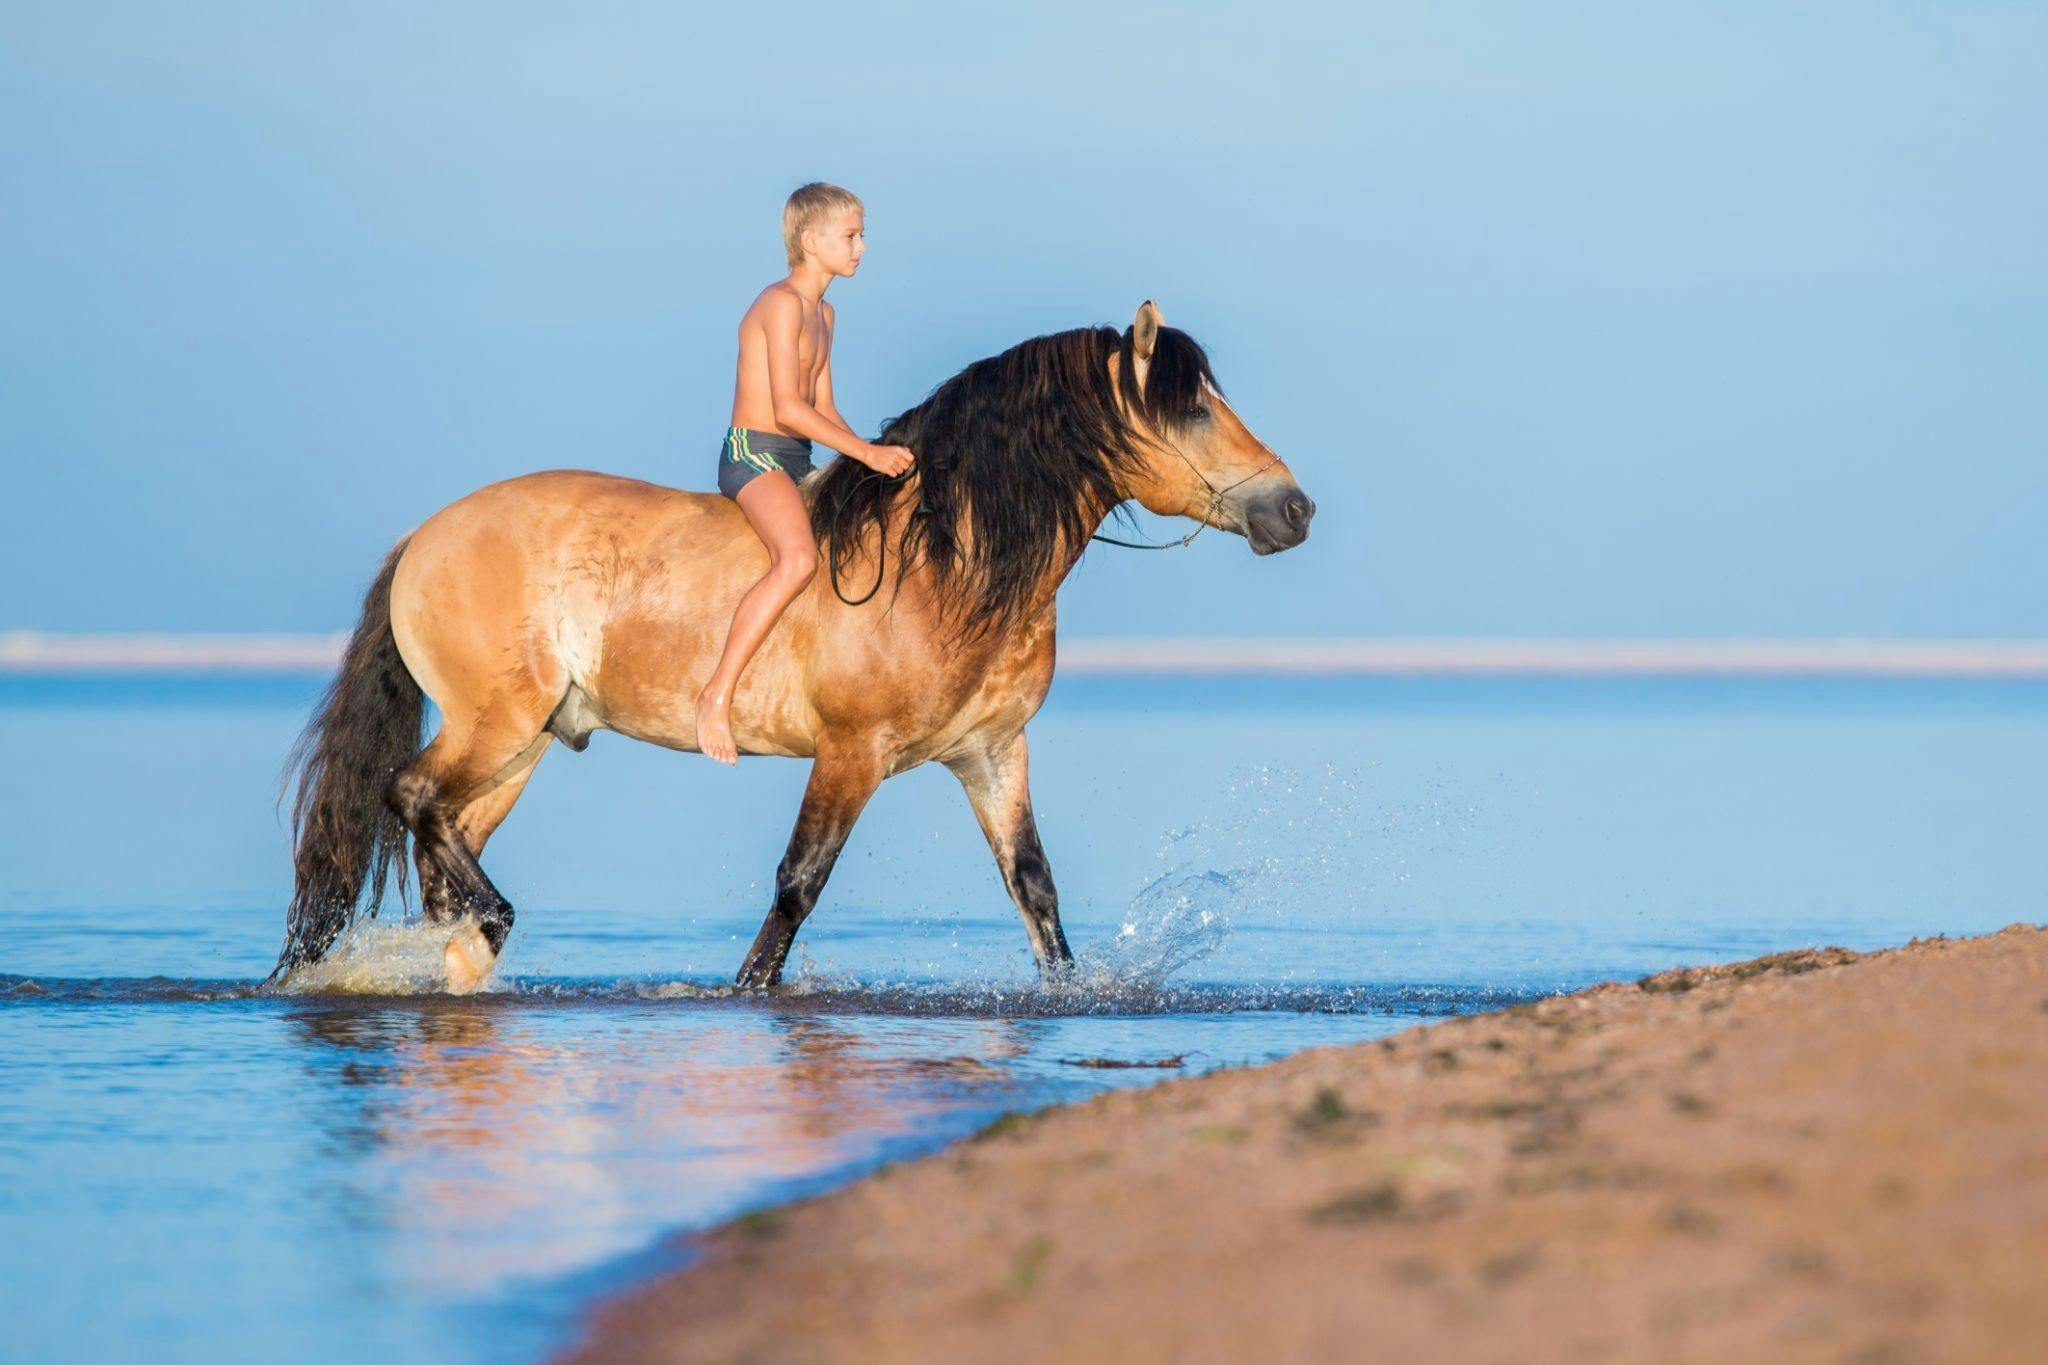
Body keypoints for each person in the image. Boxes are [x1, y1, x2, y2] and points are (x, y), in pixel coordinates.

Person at [695, 182, 916, 765]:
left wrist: (870, 454)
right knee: (798, 559)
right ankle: (715, 698)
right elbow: (789, 409)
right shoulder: (781, 303)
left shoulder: (826, 313)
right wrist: (865, 455)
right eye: (851, 235)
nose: (862, 247)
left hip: (798, 459)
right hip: (755, 455)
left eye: (862, 235)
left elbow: (824, 408)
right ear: (811, 240)